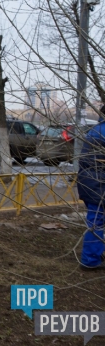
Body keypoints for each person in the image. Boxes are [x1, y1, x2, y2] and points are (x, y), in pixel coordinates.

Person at [77, 105, 105, 270]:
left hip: (90, 183)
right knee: (96, 222)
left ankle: (94, 255)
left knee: (96, 222)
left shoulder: (97, 129)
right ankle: (90, 261)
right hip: (99, 185)